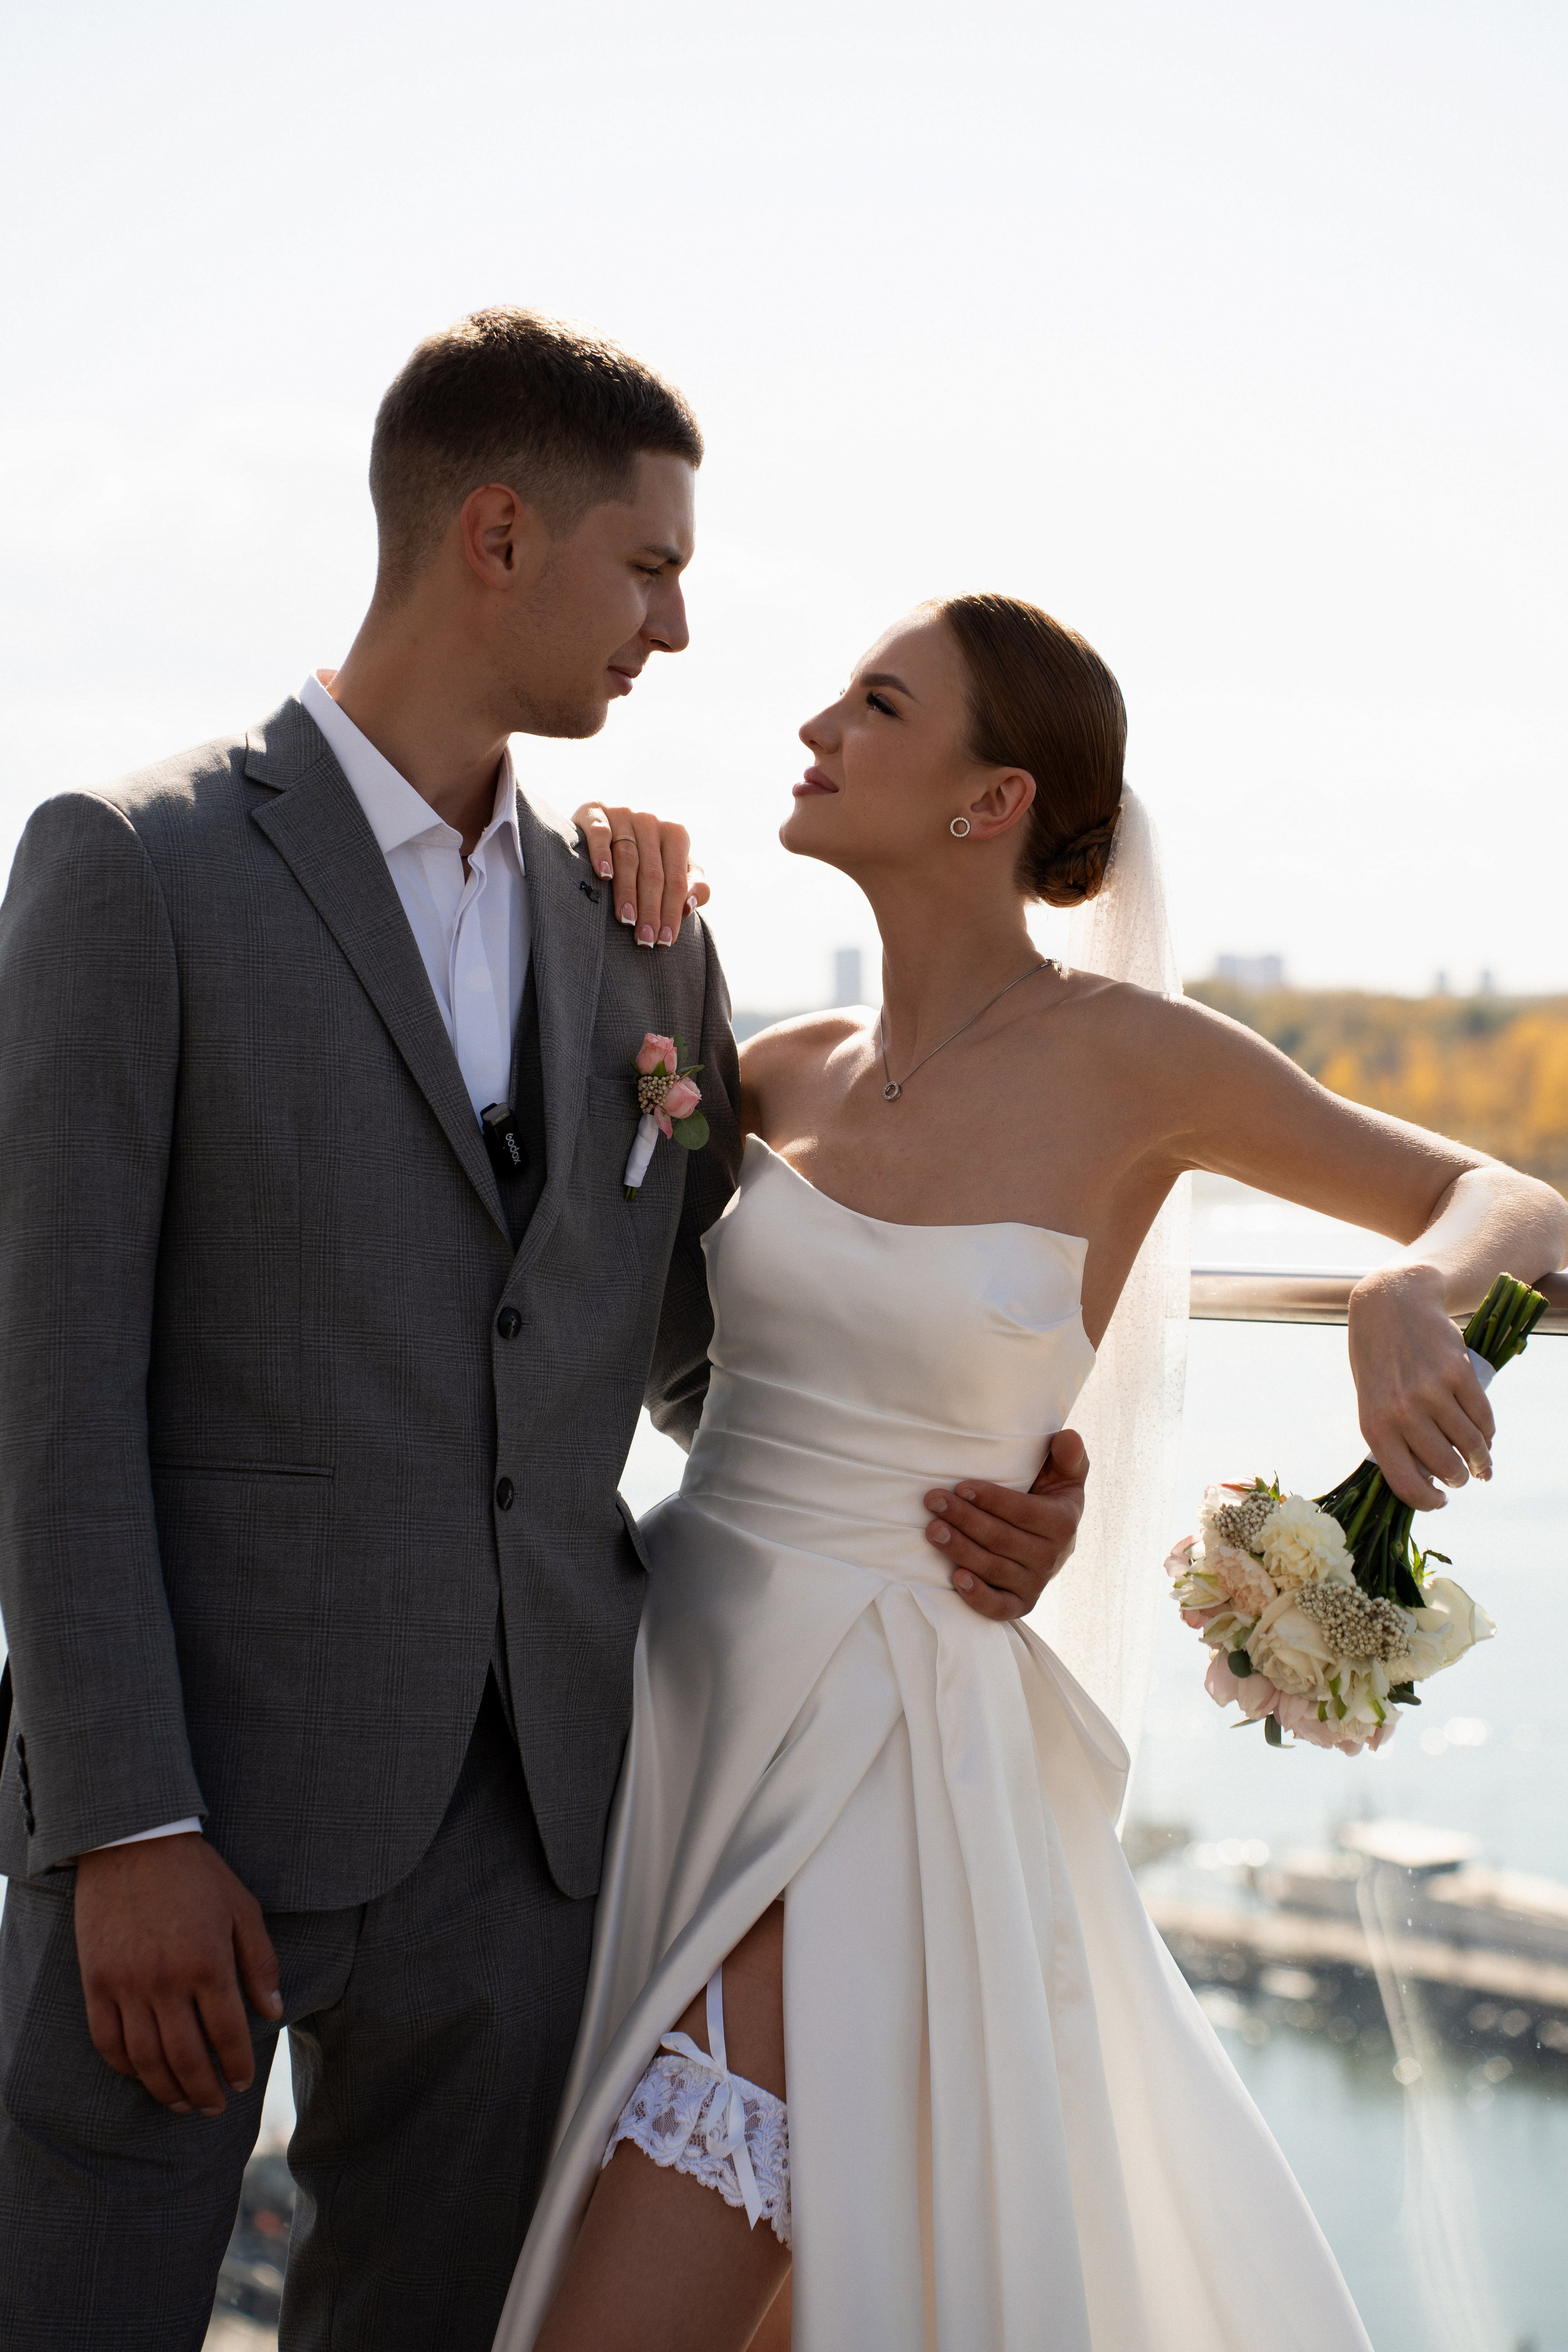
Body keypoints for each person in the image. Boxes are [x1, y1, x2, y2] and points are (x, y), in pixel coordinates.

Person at [0, 318, 1084, 2351]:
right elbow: (47, 1398)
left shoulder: (643, 933)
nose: (678, 631)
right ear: (497, 534)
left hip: (537, 1845)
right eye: (651, 566)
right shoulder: (129, 867)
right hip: (188, 1840)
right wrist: (124, 1826)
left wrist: (984, 1475)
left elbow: (694, 1359)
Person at [496, 593, 1568, 2352]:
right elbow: (630, 1332)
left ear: (990, 802)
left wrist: (1407, 1290)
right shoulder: (772, 1074)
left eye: (876, 705)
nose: (815, 729)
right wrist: (609, 868)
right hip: (678, 1708)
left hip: (888, 1753)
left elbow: (1512, 1201)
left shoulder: (1133, 1059)